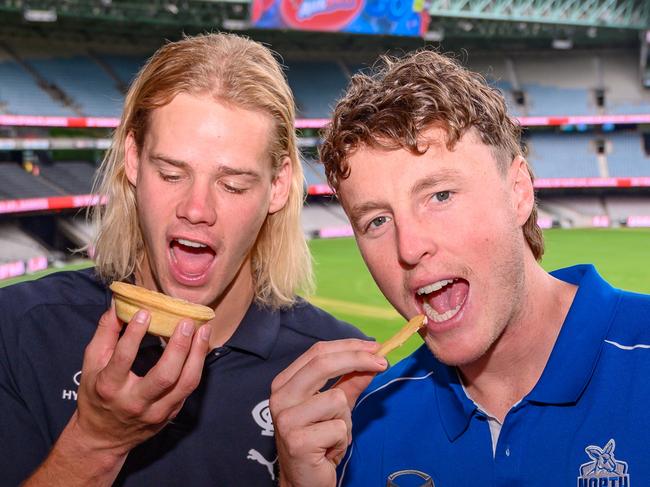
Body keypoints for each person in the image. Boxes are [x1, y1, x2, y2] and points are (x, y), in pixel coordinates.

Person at [270, 49, 650, 486]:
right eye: (377, 221)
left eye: (440, 196)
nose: (409, 248)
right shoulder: (366, 420)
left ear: (519, 191)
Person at [0, 33, 365, 486]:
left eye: (232, 184)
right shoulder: (16, 329)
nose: (197, 209)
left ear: (278, 185)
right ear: (133, 159)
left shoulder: (340, 377)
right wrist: (94, 442)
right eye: (171, 173)